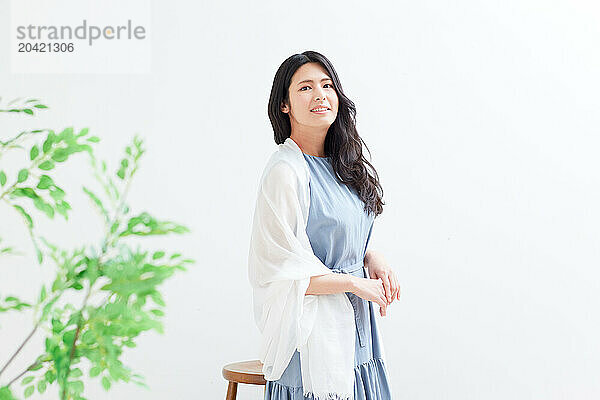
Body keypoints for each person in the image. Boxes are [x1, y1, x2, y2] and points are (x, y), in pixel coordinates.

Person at [248, 50, 400, 400]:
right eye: (305, 88)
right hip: (312, 335)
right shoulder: (285, 173)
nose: (320, 95)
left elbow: (333, 234)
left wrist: (369, 257)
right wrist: (354, 283)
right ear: (284, 104)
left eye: (327, 85)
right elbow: (279, 273)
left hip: (357, 326)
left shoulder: (342, 164)